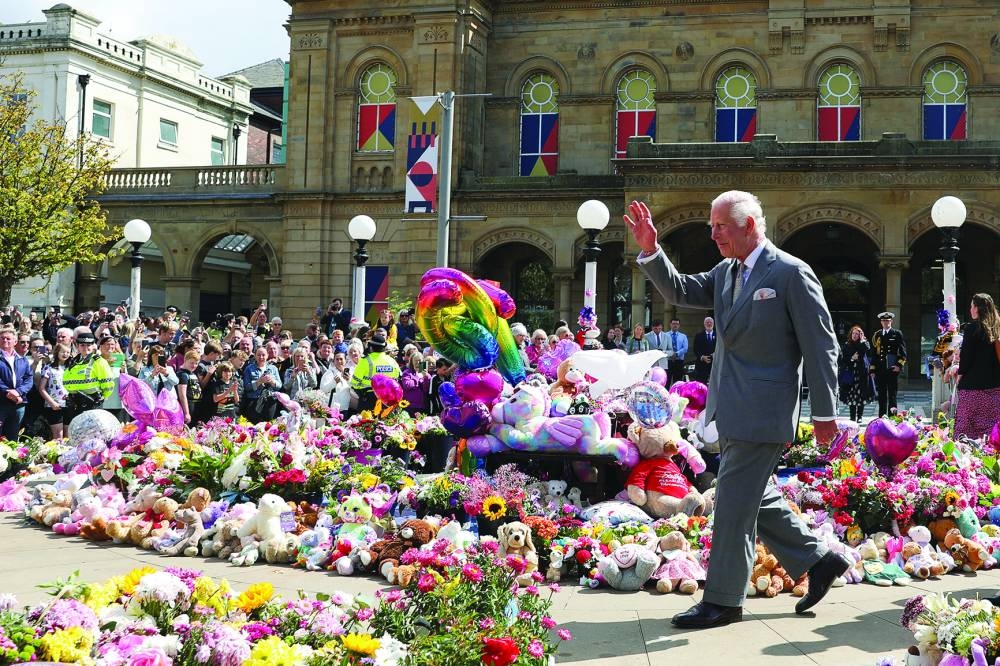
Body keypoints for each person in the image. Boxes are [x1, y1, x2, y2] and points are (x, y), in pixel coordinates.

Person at [625, 191, 847, 629]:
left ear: (749, 225)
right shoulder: (727, 272)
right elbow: (682, 290)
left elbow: (821, 346)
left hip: (765, 409)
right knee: (753, 495)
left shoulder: (790, 273)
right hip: (730, 406)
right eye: (711, 226)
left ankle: (723, 601)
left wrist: (825, 413)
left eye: (720, 226)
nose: (713, 234)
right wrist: (652, 249)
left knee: (731, 504)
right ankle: (820, 560)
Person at [953, 293, 1000, 440]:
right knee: (992, 429)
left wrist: (959, 376)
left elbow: (966, 358)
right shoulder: (997, 329)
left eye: (972, 306)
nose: (970, 310)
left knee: (966, 430)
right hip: (995, 388)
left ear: (978, 309)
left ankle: (968, 461)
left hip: (972, 388)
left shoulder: (972, 329)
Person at [62, 331, 115, 421]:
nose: (85, 348)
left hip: (92, 402)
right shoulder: (73, 361)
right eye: (82, 345)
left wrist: (103, 396)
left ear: (93, 346)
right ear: (77, 346)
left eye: (88, 345)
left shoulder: (98, 361)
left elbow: (108, 382)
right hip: (75, 402)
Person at [350, 333, 401, 412]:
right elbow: (398, 377)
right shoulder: (392, 361)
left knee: (367, 423)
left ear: (371, 347)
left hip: (368, 400)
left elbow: (354, 383)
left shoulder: (365, 361)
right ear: (384, 347)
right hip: (388, 400)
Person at [870, 312, 907, 417]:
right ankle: (881, 418)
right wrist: (872, 369)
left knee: (892, 395)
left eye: (888, 321)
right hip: (880, 369)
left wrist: (899, 366)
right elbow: (874, 354)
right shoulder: (877, 335)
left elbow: (903, 352)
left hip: (892, 369)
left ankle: (892, 418)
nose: (886, 322)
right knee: (881, 395)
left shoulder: (897, 333)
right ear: (881, 322)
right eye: (884, 321)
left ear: (891, 321)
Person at [0, 327, 33, 441]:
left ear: (15, 342)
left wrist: (18, 392)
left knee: (13, 437)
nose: (5, 340)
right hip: (1, 402)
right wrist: (8, 392)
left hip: (18, 404)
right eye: (2, 338)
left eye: (8, 339)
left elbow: (29, 379)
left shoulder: (22, 359)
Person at [838, 325, 873, 422]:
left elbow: (867, 349)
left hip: (861, 373)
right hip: (851, 373)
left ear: (860, 335)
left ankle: (860, 416)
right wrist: (851, 358)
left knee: (861, 395)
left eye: (857, 334)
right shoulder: (847, 344)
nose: (854, 335)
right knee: (851, 395)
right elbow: (842, 359)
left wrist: (862, 340)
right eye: (853, 333)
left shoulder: (864, 343)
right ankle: (852, 417)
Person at [37, 343, 71, 440]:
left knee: (68, 436)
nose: (65, 354)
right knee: (58, 437)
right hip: (54, 406)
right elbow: (41, 388)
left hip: (69, 404)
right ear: (57, 352)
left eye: (68, 352)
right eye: (63, 352)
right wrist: (52, 403)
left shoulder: (71, 368)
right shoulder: (49, 367)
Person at [242, 347, 281, 422]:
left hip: (270, 400)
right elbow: (246, 387)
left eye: (263, 355)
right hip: (254, 401)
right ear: (255, 356)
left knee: (268, 425)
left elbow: (279, 386)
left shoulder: (273, 368)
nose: (261, 357)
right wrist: (259, 382)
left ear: (267, 355)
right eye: (259, 355)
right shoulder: (249, 368)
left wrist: (272, 381)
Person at [691, 317, 717, 383]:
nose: (709, 324)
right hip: (701, 365)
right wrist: (702, 357)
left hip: (715, 364)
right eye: (707, 322)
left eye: (710, 322)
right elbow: (695, 349)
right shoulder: (699, 336)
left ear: (713, 324)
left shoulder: (718, 335)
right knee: (701, 384)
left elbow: (721, 348)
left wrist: (715, 354)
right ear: (704, 324)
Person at [666, 318, 689, 385]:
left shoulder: (683, 336)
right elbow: (664, 347)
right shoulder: (665, 335)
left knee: (678, 382)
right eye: (673, 324)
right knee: (667, 381)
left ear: (679, 325)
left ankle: (676, 395)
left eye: (677, 324)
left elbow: (685, 348)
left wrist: (676, 354)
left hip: (679, 361)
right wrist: (670, 354)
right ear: (670, 324)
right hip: (668, 361)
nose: (675, 325)